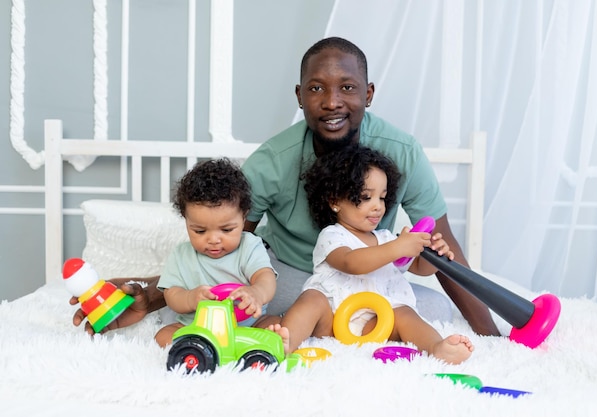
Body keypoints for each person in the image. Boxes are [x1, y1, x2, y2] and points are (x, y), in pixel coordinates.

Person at [70, 36, 500, 337]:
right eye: (317, 88)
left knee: (439, 311)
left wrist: (493, 338)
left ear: (368, 93)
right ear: (299, 96)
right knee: (249, 303)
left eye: (347, 88)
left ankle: (335, 325)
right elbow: (225, 244)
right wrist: (156, 292)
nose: (332, 101)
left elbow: (443, 251)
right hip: (295, 273)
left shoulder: (402, 151)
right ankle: (318, 326)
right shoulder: (272, 162)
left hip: (371, 273)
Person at [268, 145, 474, 364]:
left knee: (405, 314)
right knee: (312, 300)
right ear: (335, 201)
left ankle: (436, 347)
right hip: (332, 318)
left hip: (377, 321)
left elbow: (419, 269)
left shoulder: (387, 238)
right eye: (366, 197)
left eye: (382, 198)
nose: (377, 207)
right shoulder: (332, 235)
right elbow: (351, 262)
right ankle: (286, 341)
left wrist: (432, 255)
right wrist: (398, 247)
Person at [153, 159, 277, 347]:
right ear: (186, 220)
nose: (213, 240)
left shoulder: (250, 246)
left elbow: (265, 277)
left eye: (226, 230)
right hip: (198, 327)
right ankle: (202, 347)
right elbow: (172, 295)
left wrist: (257, 293)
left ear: (244, 217)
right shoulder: (181, 255)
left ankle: (245, 345)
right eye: (200, 231)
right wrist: (190, 298)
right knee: (163, 336)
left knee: (277, 325)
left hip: (247, 325)